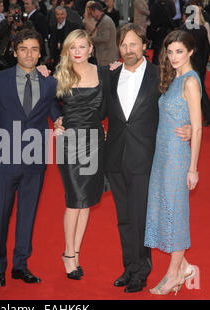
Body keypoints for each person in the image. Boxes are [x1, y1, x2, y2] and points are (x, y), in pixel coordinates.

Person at [101, 23, 192, 293]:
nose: (128, 49)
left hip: (146, 158)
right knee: (124, 218)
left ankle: (142, 270)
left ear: (143, 46)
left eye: (133, 44)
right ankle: (129, 267)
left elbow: (198, 104)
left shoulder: (160, 75)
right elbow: (97, 108)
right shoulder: (111, 76)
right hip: (115, 157)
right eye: (123, 45)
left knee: (140, 217)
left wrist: (191, 127)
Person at [0, 29, 62, 287]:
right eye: (23, 49)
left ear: (40, 53)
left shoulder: (49, 83)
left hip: (35, 162)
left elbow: (56, 112)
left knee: (27, 215)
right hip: (4, 160)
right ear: (14, 51)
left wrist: (62, 121)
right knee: (0, 215)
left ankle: (20, 265)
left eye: (34, 49)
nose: (29, 54)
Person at [144, 29, 201, 295]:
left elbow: (198, 128)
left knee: (174, 214)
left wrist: (193, 168)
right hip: (162, 155)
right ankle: (185, 265)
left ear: (191, 51)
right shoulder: (174, 78)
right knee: (162, 210)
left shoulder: (190, 81)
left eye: (180, 51)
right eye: (170, 51)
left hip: (178, 158)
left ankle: (173, 275)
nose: (174, 56)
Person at [54, 29, 105, 280]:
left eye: (82, 47)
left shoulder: (103, 73)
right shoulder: (59, 73)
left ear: (90, 49)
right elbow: (48, 102)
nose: (77, 52)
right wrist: (56, 120)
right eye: (72, 47)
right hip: (69, 142)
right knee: (75, 199)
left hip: (94, 141)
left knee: (86, 201)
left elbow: (110, 106)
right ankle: (68, 255)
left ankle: (75, 252)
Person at [89, 2, 119, 66]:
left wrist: (90, 39)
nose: (91, 15)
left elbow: (105, 38)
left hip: (107, 57)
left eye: (92, 13)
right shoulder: (104, 20)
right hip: (106, 56)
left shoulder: (105, 21)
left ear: (96, 11)